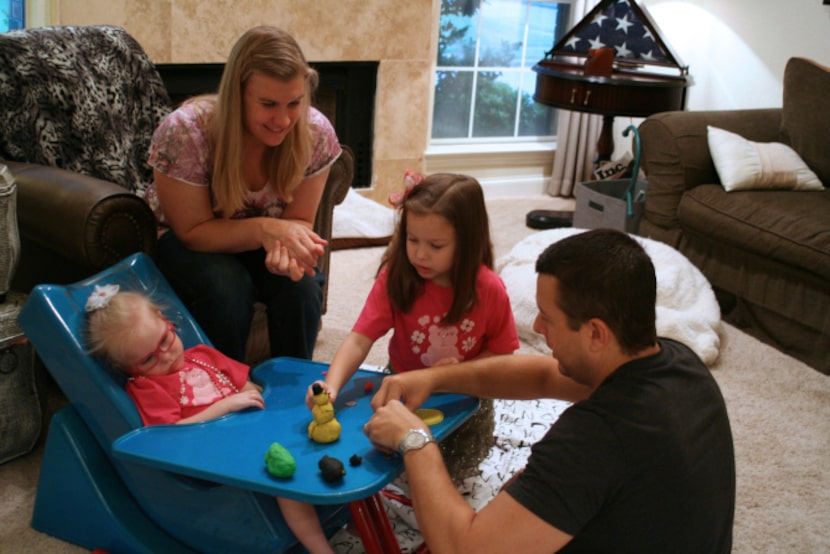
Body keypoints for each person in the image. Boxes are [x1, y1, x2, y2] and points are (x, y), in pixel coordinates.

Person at [363, 229, 736, 553]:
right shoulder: (680, 363)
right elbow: (542, 376)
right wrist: (434, 378)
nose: (538, 327)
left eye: (548, 317)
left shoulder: (594, 439)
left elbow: (462, 548)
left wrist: (416, 441)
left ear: (595, 333)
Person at [85, 284, 336, 554]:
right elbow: (170, 434)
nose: (167, 356)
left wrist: (254, 403)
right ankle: (321, 549)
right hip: (213, 458)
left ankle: (344, 511)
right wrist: (225, 407)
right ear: (128, 368)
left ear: (165, 320)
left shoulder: (203, 355)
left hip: (248, 436)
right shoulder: (147, 387)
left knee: (310, 435)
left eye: (164, 340)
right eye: (148, 359)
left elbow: (249, 387)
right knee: (287, 483)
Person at [142, 25, 342, 362]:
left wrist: (286, 250)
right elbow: (193, 232)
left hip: (260, 241)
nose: (283, 119)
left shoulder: (315, 133)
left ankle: (295, 394)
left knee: (302, 287)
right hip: (189, 240)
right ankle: (224, 388)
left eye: (294, 103)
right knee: (226, 285)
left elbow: (299, 222)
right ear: (237, 93)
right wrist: (265, 229)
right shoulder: (186, 132)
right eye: (268, 104)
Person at [307, 171, 520, 479]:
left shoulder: (489, 289)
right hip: (402, 390)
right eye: (412, 239)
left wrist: (449, 375)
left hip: (464, 398)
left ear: (467, 242)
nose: (420, 253)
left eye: (436, 245)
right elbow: (359, 340)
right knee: (368, 460)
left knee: (448, 472)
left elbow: (503, 360)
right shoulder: (397, 277)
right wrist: (333, 384)